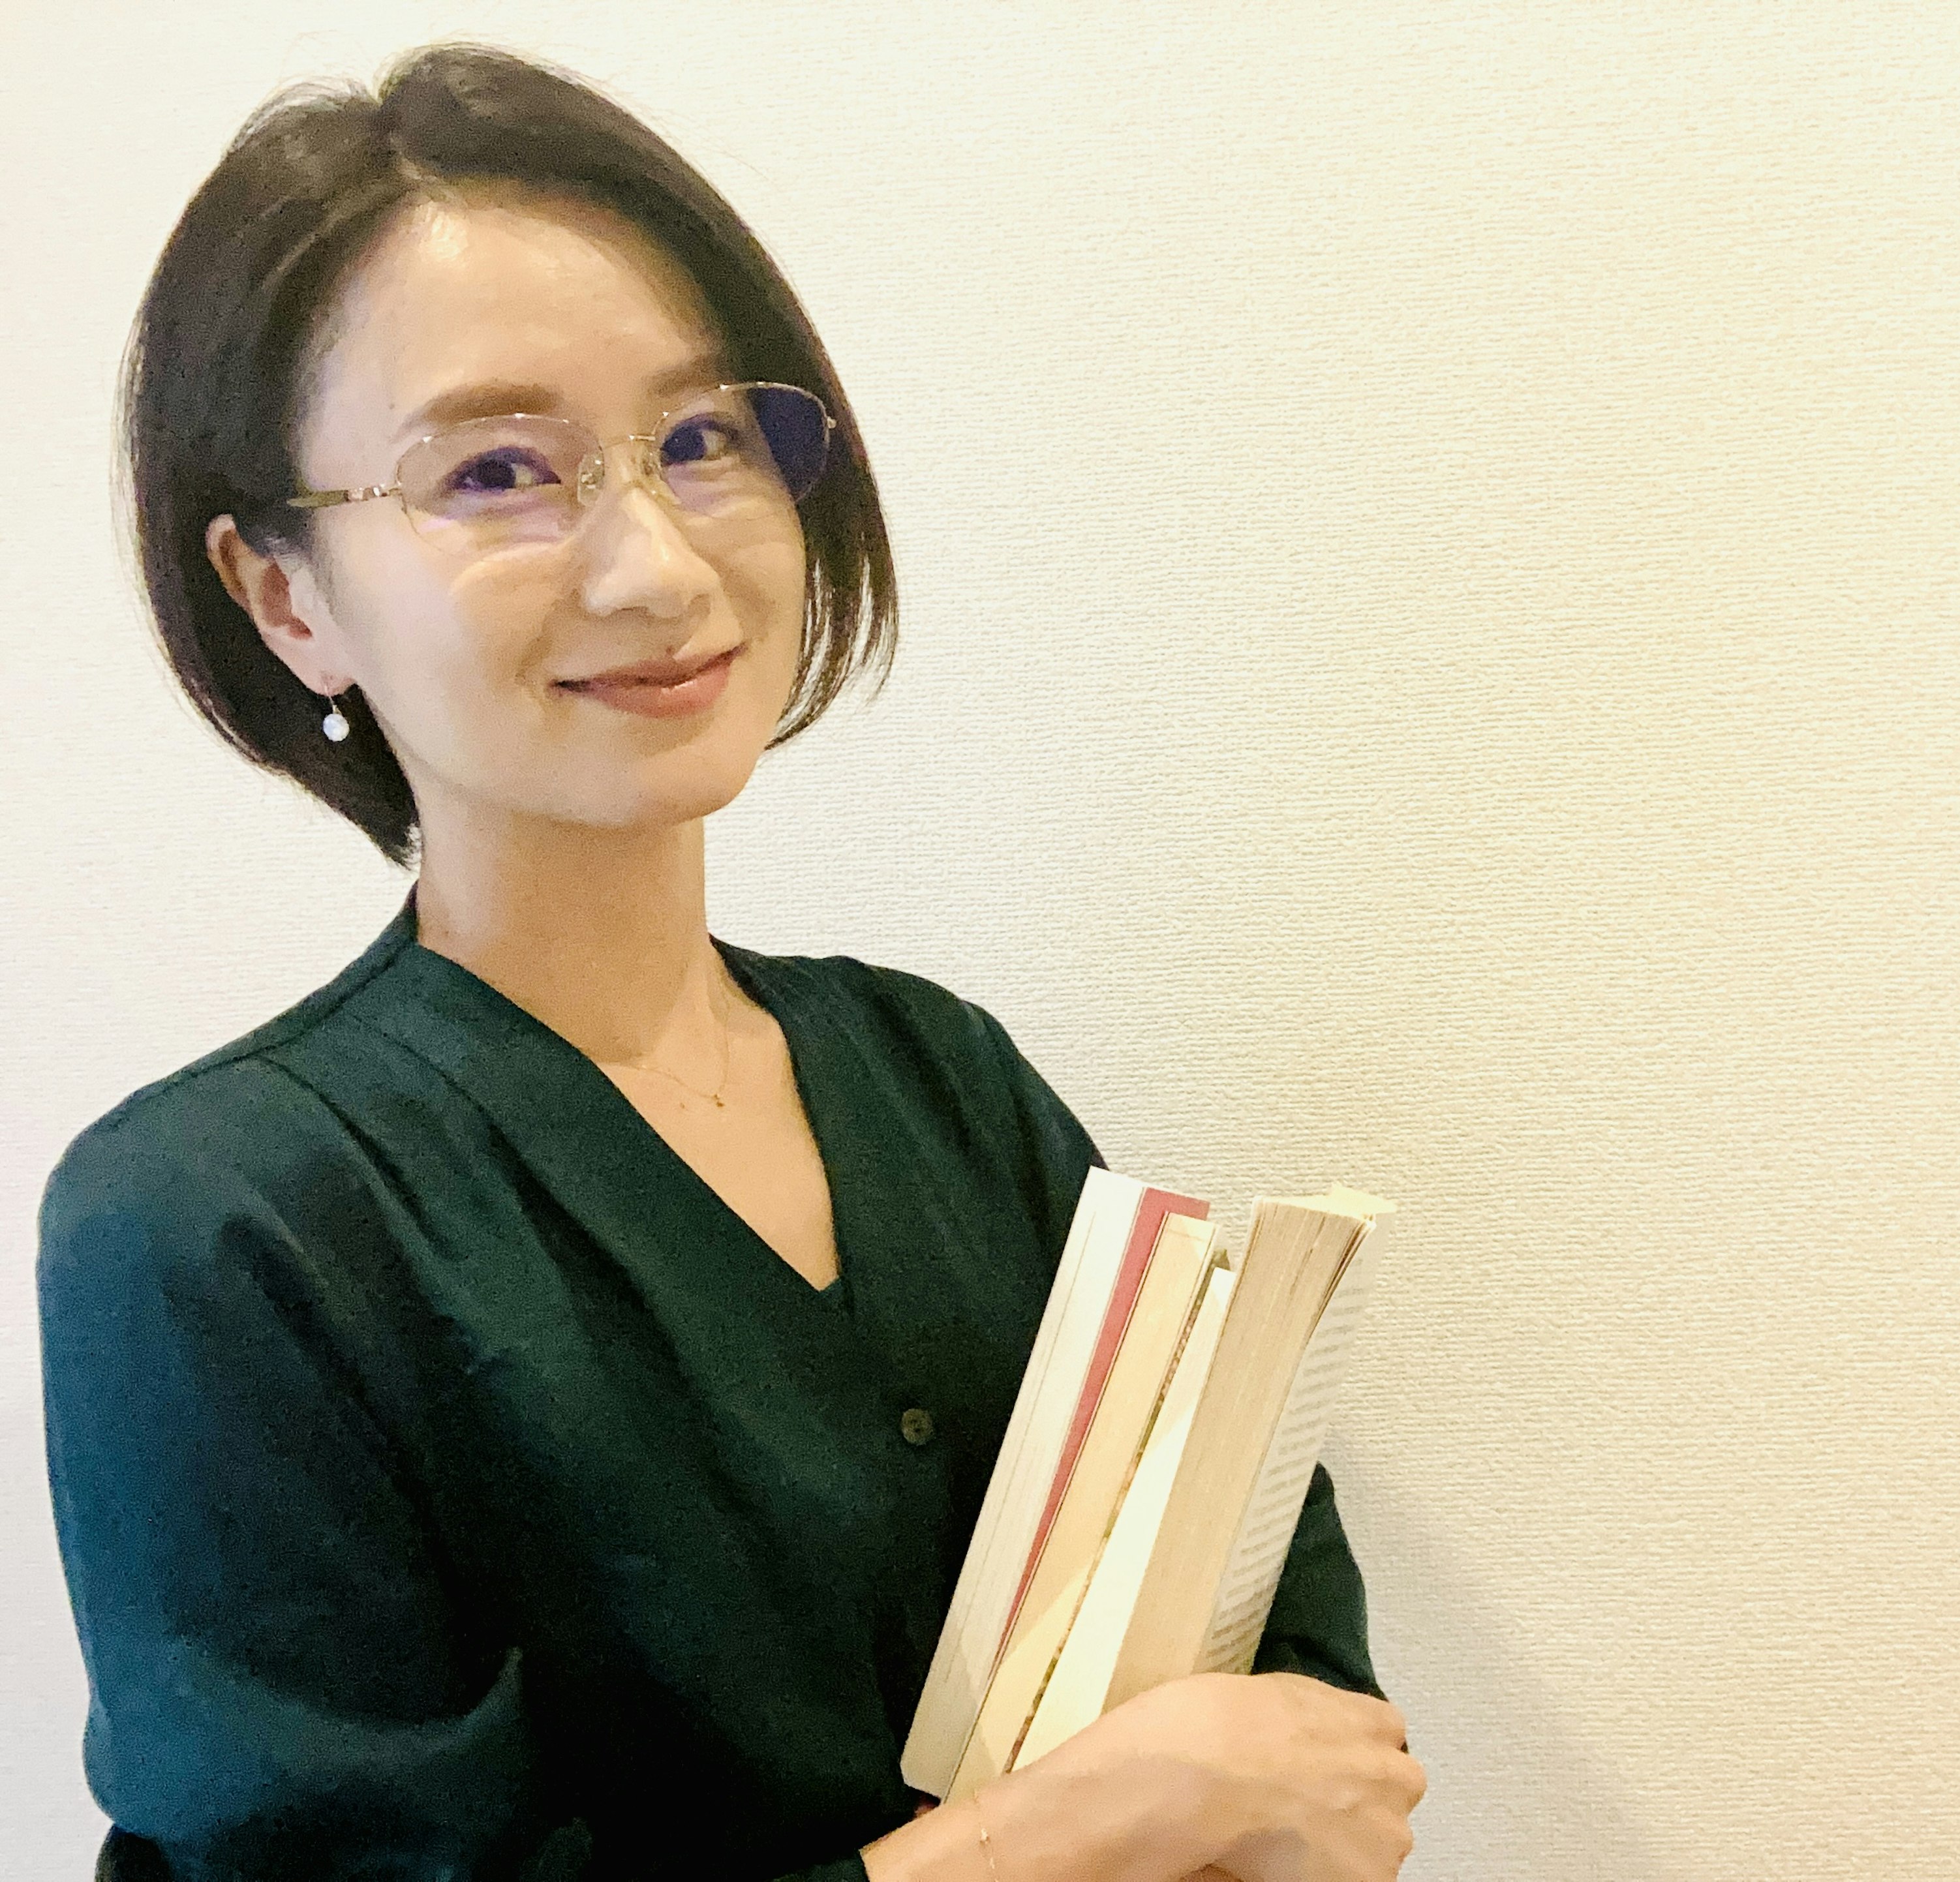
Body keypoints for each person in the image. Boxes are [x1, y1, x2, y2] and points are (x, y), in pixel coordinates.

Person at [36, 42, 1425, 1882]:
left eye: (704, 439)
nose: (658, 565)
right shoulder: (219, 1227)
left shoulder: (946, 1082)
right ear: (288, 595)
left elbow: (1298, 1709)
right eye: (500, 471)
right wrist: (1088, 1829)